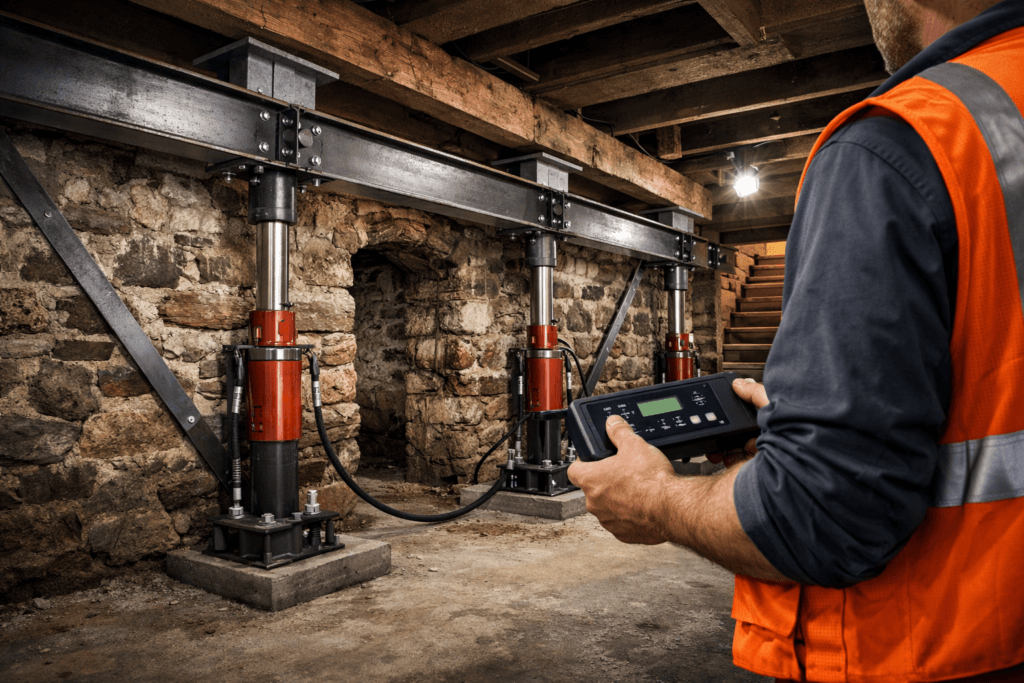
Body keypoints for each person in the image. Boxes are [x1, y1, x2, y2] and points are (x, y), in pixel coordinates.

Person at [567, 1, 1024, 681]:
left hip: (932, 646)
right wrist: (808, 432)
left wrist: (658, 499)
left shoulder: (903, 140)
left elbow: (826, 511)